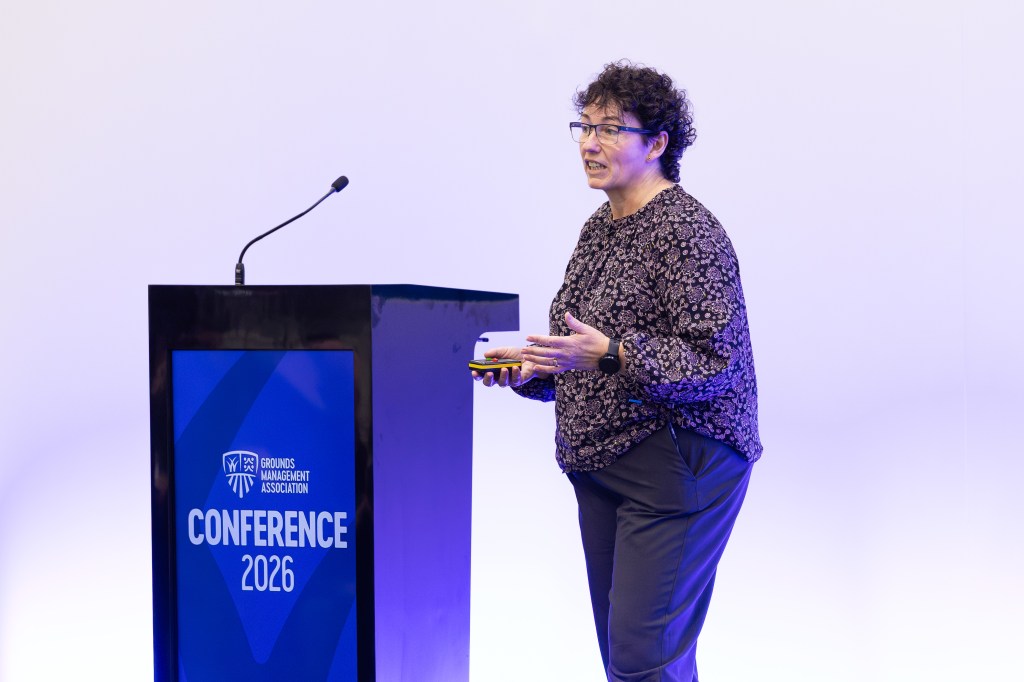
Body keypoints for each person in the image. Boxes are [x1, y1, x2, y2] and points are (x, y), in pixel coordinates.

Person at [473, 60, 762, 681]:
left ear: (657, 143)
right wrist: (530, 369)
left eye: (609, 128)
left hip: (679, 463)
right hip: (603, 466)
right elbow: (580, 352)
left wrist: (612, 352)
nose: (589, 142)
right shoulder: (598, 230)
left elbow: (715, 362)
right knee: (624, 657)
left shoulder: (687, 231)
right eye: (583, 126)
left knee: (644, 659)